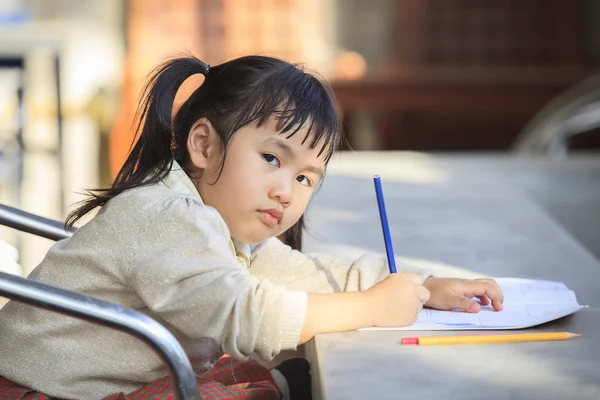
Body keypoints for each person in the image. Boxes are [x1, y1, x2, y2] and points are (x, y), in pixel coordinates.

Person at [0, 55, 504, 400]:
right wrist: (371, 307)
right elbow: (246, 317)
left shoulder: (225, 226)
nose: (288, 190)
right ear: (203, 145)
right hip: (47, 391)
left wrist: (425, 285)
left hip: (110, 383)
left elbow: (314, 275)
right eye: (271, 158)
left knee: (268, 374)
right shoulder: (165, 216)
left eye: (306, 176)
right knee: (265, 377)